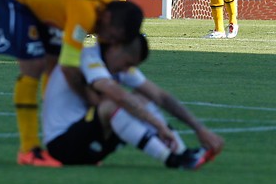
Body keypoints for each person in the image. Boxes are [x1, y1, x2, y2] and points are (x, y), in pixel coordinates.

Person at [0, 0, 144, 166]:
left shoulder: (107, 2)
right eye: (113, 37)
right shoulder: (86, 11)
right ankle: (29, 150)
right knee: (34, 66)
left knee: (53, 66)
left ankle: (55, 137)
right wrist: (91, 98)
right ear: (108, 21)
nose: (110, 42)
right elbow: (69, 65)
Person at [42, 34, 224, 168]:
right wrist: (159, 126)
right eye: (128, 63)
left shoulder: (117, 63)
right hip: (62, 145)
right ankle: (172, 160)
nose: (127, 69)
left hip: (90, 142)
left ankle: (183, 153)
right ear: (115, 48)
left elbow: (160, 96)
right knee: (113, 103)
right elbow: (119, 97)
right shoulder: (90, 58)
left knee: (143, 97)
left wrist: (199, 129)